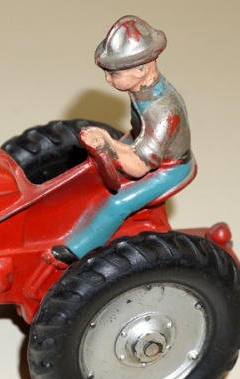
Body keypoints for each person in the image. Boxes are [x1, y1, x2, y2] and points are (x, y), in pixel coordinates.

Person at [52, 15, 195, 264]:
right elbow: (139, 134)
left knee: (116, 204)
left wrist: (108, 144)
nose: (108, 80)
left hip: (169, 167)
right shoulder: (143, 89)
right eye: (107, 73)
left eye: (115, 73)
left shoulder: (163, 111)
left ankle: (76, 253)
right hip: (141, 143)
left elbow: (139, 167)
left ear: (142, 68)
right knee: (90, 172)